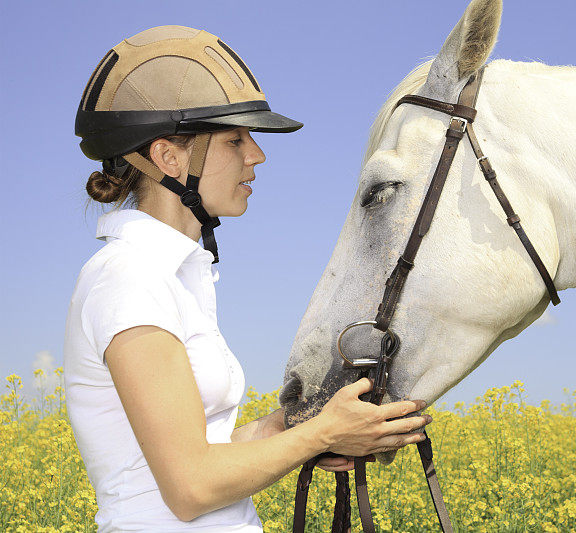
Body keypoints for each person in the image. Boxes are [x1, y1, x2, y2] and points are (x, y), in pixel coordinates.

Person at [64, 25, 432, 531]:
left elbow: (208, 453)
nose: (256, 155)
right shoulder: (128, 279)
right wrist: (320, 434)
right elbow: (191, 488)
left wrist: (296, 427)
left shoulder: (169, 276)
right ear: (168, 157)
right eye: (235, 139)